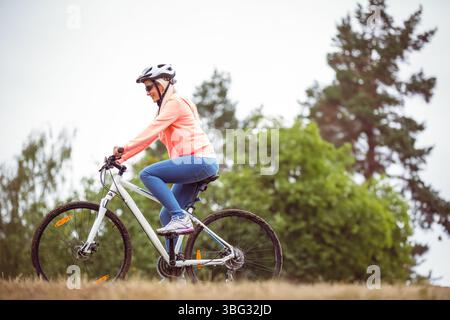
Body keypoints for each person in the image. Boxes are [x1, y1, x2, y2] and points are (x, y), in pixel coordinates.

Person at [113, 64, 218, 239]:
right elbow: (149, 139)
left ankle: (180, 217)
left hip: (199, 161)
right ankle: (174, 264)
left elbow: (151, 131)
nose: (147, 92)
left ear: (161, 84)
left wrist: (124, 148)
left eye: (148, 87)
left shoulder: (175, 103)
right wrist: (121, 158)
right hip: (195, 163)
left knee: (147, 174)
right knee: (166, 216)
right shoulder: (166, 108)